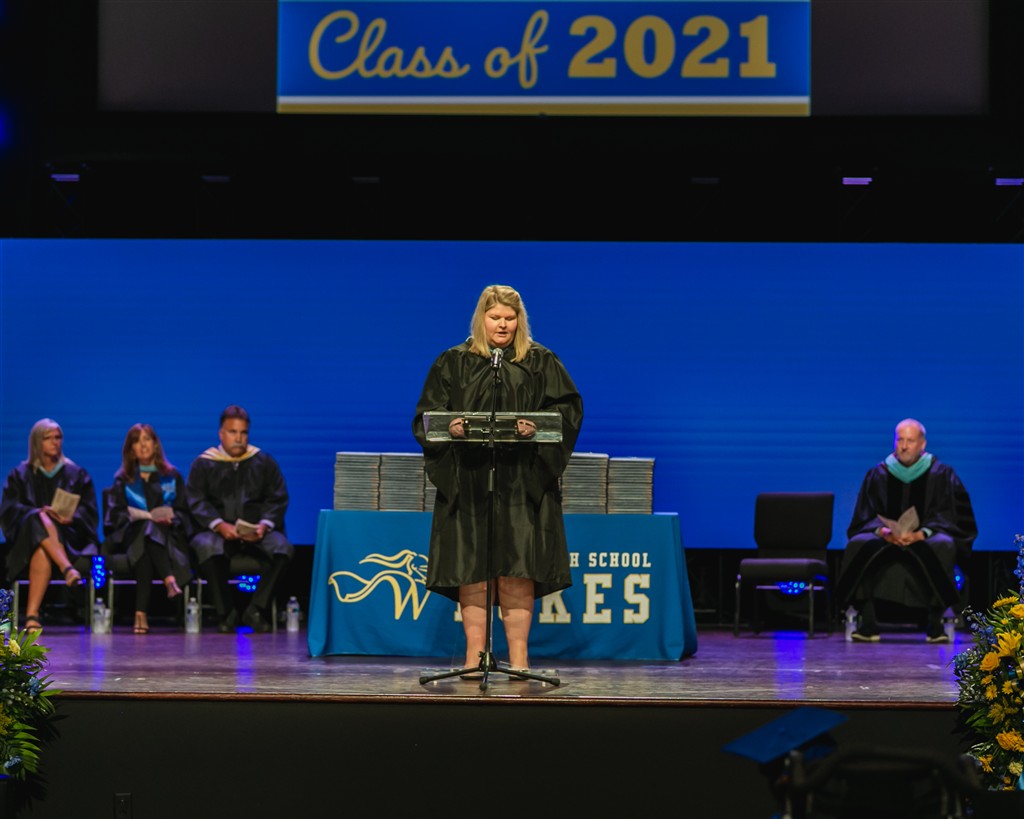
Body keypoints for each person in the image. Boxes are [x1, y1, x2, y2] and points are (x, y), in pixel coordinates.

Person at [413, 284, 583, 673]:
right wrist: (450, 427)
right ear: (481, 319)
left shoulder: (540, 361)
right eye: (495, 318)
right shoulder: (453, 362)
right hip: (469, 480)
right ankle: (475, 657)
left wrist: (537, 428)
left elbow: (567, 413)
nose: (502, 325)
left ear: (520, 320)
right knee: (471, 569)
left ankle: (519, 659)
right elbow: (427, 416)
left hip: (522, 481)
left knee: (517, 569)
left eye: (510, 318)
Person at [836, 418, 977, 643]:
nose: (903, 446)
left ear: (922, 444)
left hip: (926, 536)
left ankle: (935, 625)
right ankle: (868, 624)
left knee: (943, 544)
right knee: (858, 544)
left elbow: (950, 515)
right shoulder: (879, 473)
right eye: (899, 440)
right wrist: (883, 532)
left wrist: (923, 533)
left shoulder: (941, 473)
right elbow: (865, 514)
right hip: (887, 536)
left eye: (910, 441)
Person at [185, 405, 293, 633]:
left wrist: (264, 525)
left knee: (283, 548)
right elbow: (196, 500)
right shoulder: (204, 464)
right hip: (217, 532)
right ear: (221, 434)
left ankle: (256, 609)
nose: (239, 438)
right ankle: (226, 614)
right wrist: (219, 525)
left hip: (256, 531)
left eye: (243, 432)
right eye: (233, 432)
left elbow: (277, 498)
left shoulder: (263, 462)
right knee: (206, 548)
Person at [0, 418, 98, 632]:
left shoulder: (76, 474)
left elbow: (89, 512)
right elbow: (9, 513)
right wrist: (38, 513)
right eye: (48, 438)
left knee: (41, 545)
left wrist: (71, 518)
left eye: (58, 437)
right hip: (27, 542)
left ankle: (32, 616)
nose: (55, 442)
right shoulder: (20, 475)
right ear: (37, 442)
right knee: (38, 520)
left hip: (69, 539)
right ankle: (67, 569)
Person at [103, 424, 194, 634]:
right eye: (137, 441)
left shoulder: (172, 476)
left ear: (155, 445)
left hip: (169, 536)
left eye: (147, 439)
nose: (143, 445)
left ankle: (140, 612)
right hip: (131, 534)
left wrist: (172, 519)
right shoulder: (123, 479)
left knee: (146, 539)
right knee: (146, 529)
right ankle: (169, 580)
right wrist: (133, 516)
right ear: (131, 449)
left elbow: (185, 512)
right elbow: (114, 516)